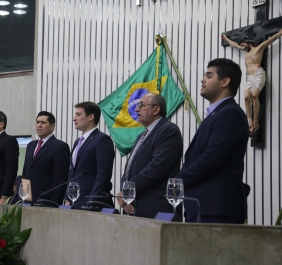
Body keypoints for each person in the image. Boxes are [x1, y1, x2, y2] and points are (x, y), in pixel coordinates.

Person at [177, 58, 249, 224]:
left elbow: (211, 158)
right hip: (203, 205)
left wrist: (176, 181)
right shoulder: (217, 114)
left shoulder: (230, 114)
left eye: (209, 76)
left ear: (225, 81)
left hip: (217, 208)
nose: (203, 80)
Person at [116, 93, 183, 219]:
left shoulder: (168, 130)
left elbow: (157, 168)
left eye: (142, 105)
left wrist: (128, 191)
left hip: (156, 206)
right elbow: (128, 171)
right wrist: (126, 197)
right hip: (135, 205)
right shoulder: (141, 136)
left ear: (156, 109)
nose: (136, 109)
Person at [222, 29, 282, 135]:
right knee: (246, 98)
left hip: (258, 74)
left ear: (248, 41)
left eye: (243, 44)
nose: (242, 46)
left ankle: (255, 121)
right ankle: (250, 120)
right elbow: (234, 45)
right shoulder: (246, 52)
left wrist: (280, 33)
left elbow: (273, 38)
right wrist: (226, 39)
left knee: (254, 96)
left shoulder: (259, 48)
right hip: (249, 78)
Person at [64, 101, 115, 209]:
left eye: (78, 114)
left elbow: (103, 175)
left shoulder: (102, 140)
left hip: (92, 202)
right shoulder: (77, 142)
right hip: (74, 201)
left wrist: (92, 200)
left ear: (91, 117)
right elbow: (72, 173)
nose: (74, 118)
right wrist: (67, 198)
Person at [20, 111, 70, 205]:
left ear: (52, 126)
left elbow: (60, 179)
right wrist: (24, 196)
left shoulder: (59, 146)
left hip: (46, 200)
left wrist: (55, 203)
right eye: (38, 122)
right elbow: (26, 172)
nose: (39, 125)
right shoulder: (31, 145)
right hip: (28, 199)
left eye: (43, 123)